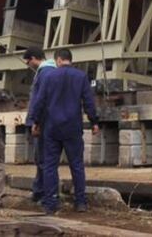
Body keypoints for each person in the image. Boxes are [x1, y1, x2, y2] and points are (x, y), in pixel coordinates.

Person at [26, 47, 98, 215]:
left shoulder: (49, 76)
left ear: (58, 60)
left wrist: (35, 121)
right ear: (69, 60)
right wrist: (94, 121)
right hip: (73, 127)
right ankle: (80, 202)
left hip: (52, 127)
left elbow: (40, 101)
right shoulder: (81, 76)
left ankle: (51, 203)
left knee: (50, 165)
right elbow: (88, 101)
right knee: (77, 165)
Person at [22, 47, 55, 203]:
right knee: (42, 159)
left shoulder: (45, 72)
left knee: (42, 159)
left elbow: (40, 100)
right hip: (47, 122)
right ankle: (40, 190)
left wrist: (36, 122)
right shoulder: (47, 71)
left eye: (28, 61)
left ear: (34, 58)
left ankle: (44, 193)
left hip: (43, 123)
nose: (28, 64)